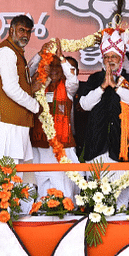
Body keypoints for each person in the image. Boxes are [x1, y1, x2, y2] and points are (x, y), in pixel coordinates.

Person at [79, 30, 129, 204]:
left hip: (122, 147)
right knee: (97, 198)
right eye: (107, 57)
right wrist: (102, 87)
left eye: (114, 57)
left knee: (121, 199)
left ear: (121, 58)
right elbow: (84, 104)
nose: (110, 61)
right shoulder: (94, 79)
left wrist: (116, 88)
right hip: (96, 146)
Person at [0, 15, 42, 164]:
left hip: (14, 121)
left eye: (28, 32)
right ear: (11, 30)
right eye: (21, 30)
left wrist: (40, 55)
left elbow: (23, 76)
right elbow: (10, 88)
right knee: (7, 174)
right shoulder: (6, 52)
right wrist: (35, 106)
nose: (25, 35)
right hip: (6, 123)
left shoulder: (15, 52)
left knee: (15, 175)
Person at [29, 40, 79, 198]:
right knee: (41, 180)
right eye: (52, 65)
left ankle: (65, 213)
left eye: (59, 66)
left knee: (63, 184)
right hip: (40, 144)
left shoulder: (68, 87)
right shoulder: (37, 85)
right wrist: (41, 55)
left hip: (63, 145)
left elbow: (73, 79)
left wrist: (61, 58)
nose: (55, 70)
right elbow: (28, 69)